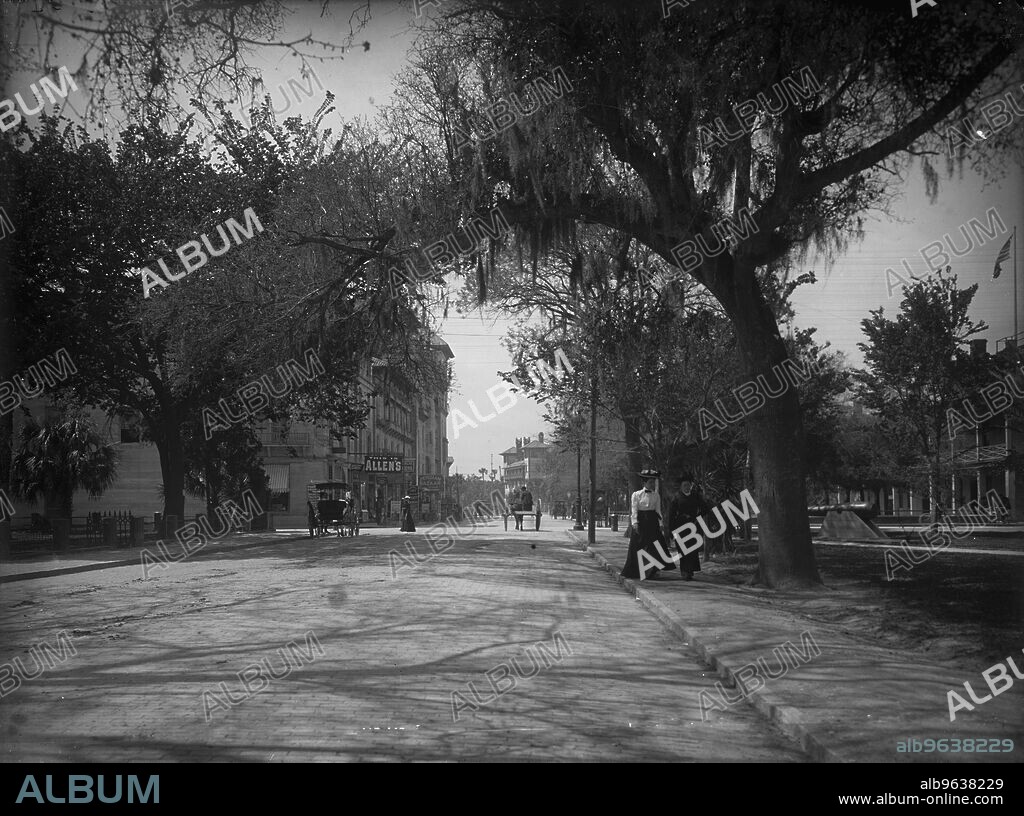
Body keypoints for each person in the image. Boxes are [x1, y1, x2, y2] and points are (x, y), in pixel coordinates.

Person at [620, 469, 674, 579]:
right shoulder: (636, 495)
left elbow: (658, 511)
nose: (652, 484)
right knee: (637, 546)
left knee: (654, 547)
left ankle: (652, 570)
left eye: (653, 482)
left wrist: (660, 523)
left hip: (652, 522)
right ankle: (635, 571)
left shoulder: (656, 496)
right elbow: (634, 510)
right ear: (644, 483)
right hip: (641, 522)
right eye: (650, 482)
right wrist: (635, 523)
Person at [666, 472, 711, 580]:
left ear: (691, 485)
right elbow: (671, 514)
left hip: (693, 526)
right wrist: (671, 530)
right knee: (682, 550)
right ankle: (684, 571)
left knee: (692, 550)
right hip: (680, 526)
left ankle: (690, 571)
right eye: (684, 485)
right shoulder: (676, 497)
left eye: (688, 485)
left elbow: (705, 508)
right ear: (681, 486)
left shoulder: (696, 495)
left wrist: (697, 516)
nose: (687, 487)